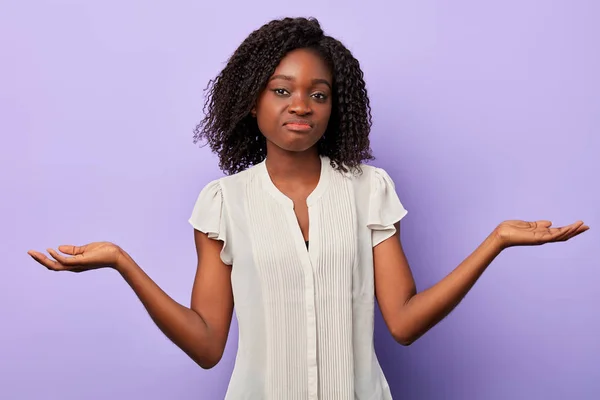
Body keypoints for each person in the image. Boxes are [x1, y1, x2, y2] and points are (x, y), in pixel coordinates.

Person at [27, 17, 588, 400]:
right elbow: (205, 345)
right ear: (252, 100)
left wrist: (495, 242)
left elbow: (405, 322)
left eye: (318, 93)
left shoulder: (370, 188)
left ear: (333, 108)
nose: (301, 105)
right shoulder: (224, 203)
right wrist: (123, 263)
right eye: (282, 90)